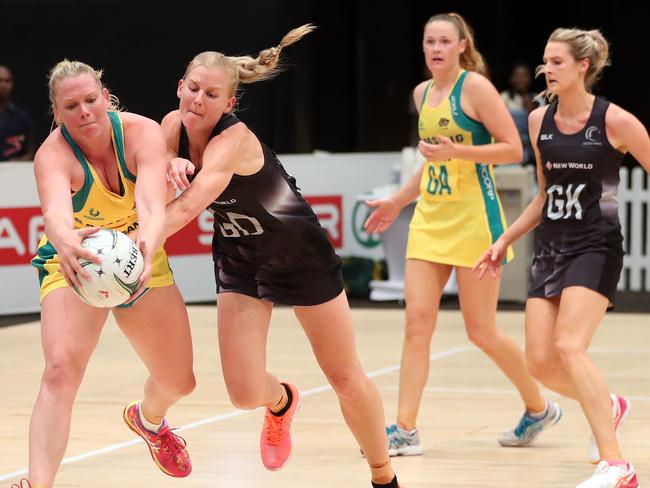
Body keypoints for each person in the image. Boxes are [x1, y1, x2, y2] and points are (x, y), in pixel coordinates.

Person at [162, 25, 401, 488]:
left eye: (211, 94)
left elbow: (188, 207)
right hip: (240, 255)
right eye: (192, 88)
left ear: (229, 104)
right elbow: (148, 194)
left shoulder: (233, 141)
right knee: (242, 392)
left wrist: (134, 244)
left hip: (299, 253)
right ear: (179, 86)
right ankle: (282, 402)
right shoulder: (170, 129)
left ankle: (383, 475)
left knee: (345, 377)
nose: (197, 100)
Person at [363, 12, 561, 457]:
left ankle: (539, 406)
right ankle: (406, 429)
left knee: (482, 332)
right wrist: (398, 200)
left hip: (476, 221)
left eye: (444, 41)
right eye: (429, 41)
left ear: (460, 46)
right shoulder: (421, 94)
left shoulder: (475, 88)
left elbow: (513, 148)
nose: (435, 48)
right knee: (416, 324)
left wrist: (460, 151)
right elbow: (435, 162)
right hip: (430, 219)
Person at [474, 27, 650, 488]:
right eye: (545, 61)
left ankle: (616, 464)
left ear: (582, 67)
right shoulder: (537, 121)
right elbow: (545, 195)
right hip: (550, 248)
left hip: (596, 245)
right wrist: (503, 239)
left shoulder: (616, 122)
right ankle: (608, 404)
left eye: (557, 62)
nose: (546, 69)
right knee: (541, 363)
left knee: (570, 346)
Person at [22, 60, 195, 488]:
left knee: (179, 381)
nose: (84, 112)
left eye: (90, 99)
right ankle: (37, 482)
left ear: (106, 96)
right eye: (71, 105)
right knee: (61, 368)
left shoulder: (142, 132)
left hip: (141, 251)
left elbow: (153, 208)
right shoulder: (52, 155)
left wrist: (145, 247)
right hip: (77, 261)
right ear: (56, 112)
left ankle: (149, 419)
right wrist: (65, 241)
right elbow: (56, 217)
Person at [500, 62, 545, 165]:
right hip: (510, 148)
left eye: (524, 76)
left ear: (530, 79)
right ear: (511, 78)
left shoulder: (537, 99)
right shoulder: (504, 98)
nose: (520, 79)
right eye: (517, 75)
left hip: (531, 152)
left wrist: (531, 110)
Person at [0, 65, 35, 161]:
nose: (3, 85)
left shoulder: (22, 118)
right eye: (0, 81)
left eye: (7, 81)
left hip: (14, 172)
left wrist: (16, 164)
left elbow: (31, 152)